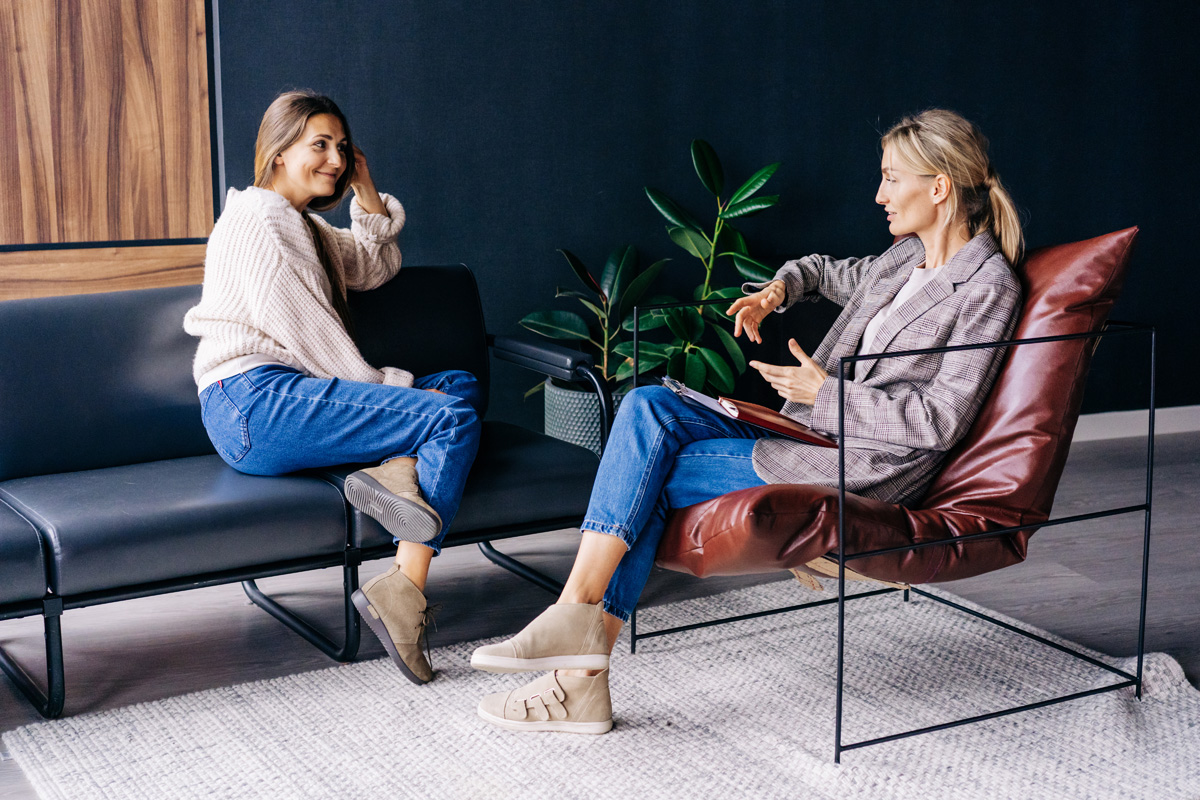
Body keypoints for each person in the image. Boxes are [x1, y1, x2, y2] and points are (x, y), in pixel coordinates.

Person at [469, 108, 1024, 733]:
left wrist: (826, 393)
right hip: (809, 435)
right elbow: (818, 271)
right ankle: (578, 642)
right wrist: (774, 292)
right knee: (645, 405)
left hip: (866, 463)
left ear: (939, 186)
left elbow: (941, 420)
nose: (879, 195)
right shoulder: (904, 261)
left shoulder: (986, 287)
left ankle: (577, 656)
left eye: (892, 179)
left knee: (648, 471)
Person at [183, 90, 481, 686]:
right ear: (277, 152)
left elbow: (373, 267)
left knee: (457, 384)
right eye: (318, 145)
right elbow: (316, 339)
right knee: (449, 415)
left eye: (342, 148)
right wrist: (394, 390)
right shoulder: (262, 222)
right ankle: (406, 591)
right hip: (253, 403)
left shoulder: (303, 224)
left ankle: (396, 475)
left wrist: (366, 190)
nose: (335, 160)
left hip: (274, 399)